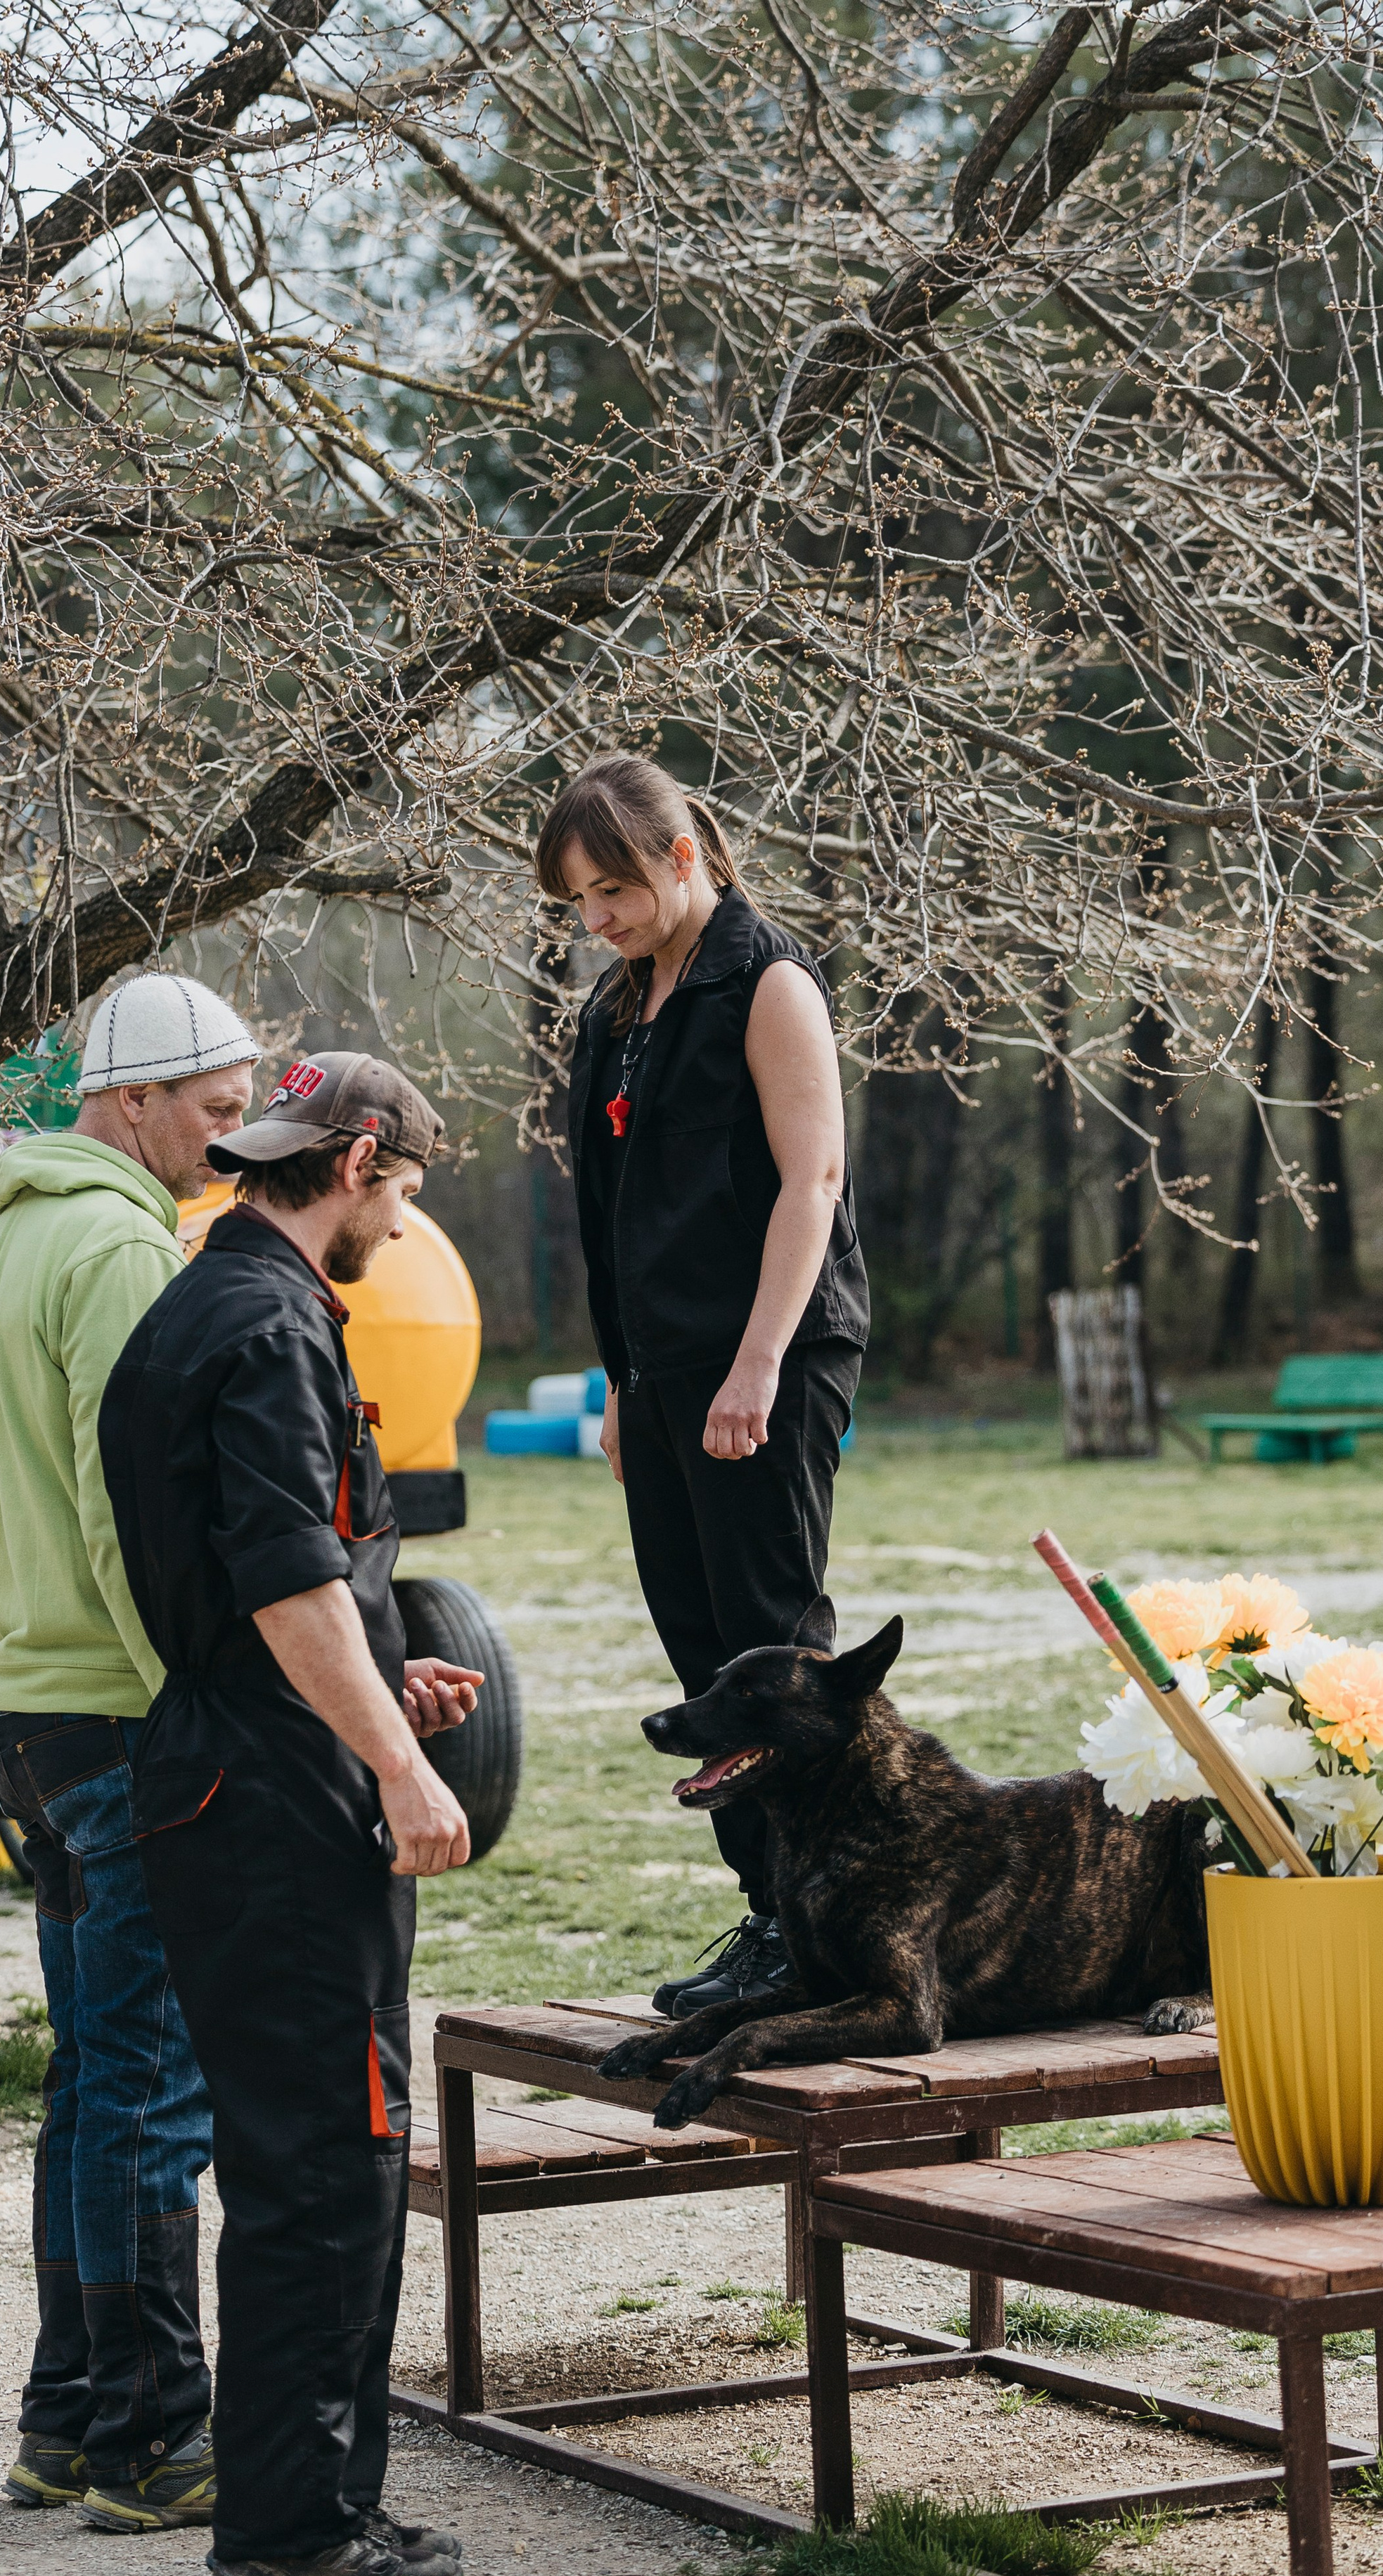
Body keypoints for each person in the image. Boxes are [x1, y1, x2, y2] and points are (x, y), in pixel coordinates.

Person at [99, 1050, 480, 2576]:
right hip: (271, 1796)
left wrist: (383, 1678)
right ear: (356, 1160)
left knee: (307, 2147)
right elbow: (279, 1577)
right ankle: (285, 2531)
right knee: (326, 2155)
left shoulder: (201, 1298)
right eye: (398, 1196)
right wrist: (394, 1758)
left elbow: (267, 1581)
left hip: (225, 1758)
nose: (398, 1230)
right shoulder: (267, 1325)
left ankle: (318, 2504)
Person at [0, 971, 260, 2531]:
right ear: (130, 1100)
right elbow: (120, 1505)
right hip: (120, 1713)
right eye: (212, 1111)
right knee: (149, 2092)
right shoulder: (127, 1244)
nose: (229, 1137)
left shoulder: (8, 1238)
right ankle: (156, 2442)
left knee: (91, 2080)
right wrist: (186, 1702)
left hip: (26, 1710)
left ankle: (64, 2421)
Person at [539, 751, 870, 2020]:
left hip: (770, 1357)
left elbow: (812, 1185)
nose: (598, 920)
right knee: (704, 1657)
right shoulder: (617, 1011)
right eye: (578, 902)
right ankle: (772, 1916)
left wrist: (757, 1365)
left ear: (685, 857)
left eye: (612, 889)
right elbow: (616, 1214)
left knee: (776, 1650)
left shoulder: (769, 982)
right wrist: (624, 1379)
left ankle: (832, 1925)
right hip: (666, 1369)